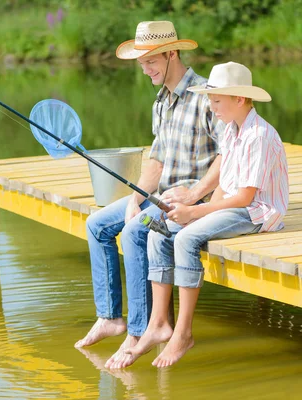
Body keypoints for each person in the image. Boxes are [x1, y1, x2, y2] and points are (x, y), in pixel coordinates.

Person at [112, 61, 289, 368]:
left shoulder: (258, 135)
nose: (212, 106)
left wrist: (194, 212)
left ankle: (183, 333)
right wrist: (192, 213)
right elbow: (224, 186)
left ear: (240, 99)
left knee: (187, 240)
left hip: (257, 212)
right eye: (209, 99)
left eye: (216, 100)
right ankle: (157, 325)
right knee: (159, 231)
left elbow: (245, 197)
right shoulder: (233, 131)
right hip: (234, 204)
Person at [74, 21, 226, 368]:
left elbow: (227, 154)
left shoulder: (205, 95)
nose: (145, 70)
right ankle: (111, 318)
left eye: (151, 62)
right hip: (159, 195)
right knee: (97, 223)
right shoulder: (160, 101)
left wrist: (195, 193)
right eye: (141, 63)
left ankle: (141, 330)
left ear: (172, 53)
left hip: (191, 201)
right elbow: (156, 158)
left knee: (133, 232)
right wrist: (135, 197)